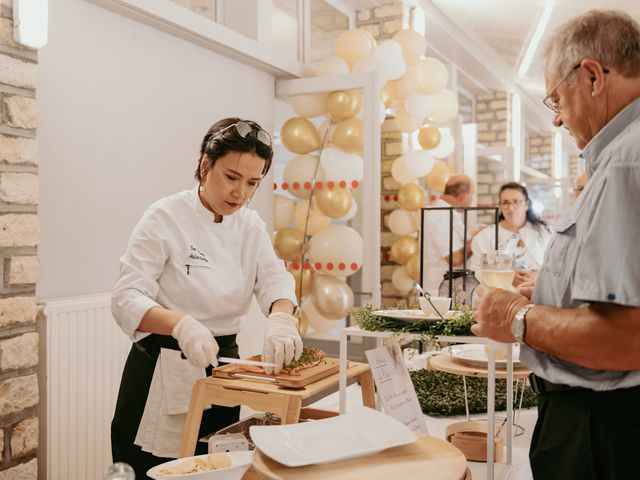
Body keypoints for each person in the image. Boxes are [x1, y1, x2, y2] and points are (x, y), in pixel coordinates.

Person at [471, 10, 640, 480]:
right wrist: (549, 293)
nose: (558, 120)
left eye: (555, 99)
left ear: (591, 77)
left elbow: (625, 339)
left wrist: (515, 317)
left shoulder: (626, 161)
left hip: (600, 429)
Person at [110, 118, 302, 479]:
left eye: (252, 183)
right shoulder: (165, 216)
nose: (240, 193)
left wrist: (281, 317)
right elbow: (126, 297)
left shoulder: (250, 225)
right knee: (151, 469)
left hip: (222, 365)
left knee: (214, 467)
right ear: (204, 166)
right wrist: (181, 324)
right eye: (231, 177)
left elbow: (275, 278)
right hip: (163, 363)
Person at [469, 182, 551, 287]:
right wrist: (505, 276)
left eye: (516, 202)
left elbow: (558, 267)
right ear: (500, 205)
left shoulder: (545, 233)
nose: (511, 207)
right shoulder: (484, 237)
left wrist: (537, 276)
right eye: (506, 202)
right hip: (501, 299)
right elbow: (475, 272)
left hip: (538, 297)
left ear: (526, 204)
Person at [422, 174, 475, 295]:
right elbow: (454, 258)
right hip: (441, 292)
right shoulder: (441, 216)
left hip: (450, 289)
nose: (472, 200)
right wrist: (478, 239)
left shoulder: (447, 213)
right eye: (472, 195)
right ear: (463, 196)